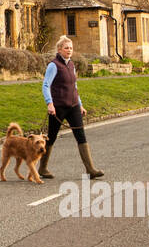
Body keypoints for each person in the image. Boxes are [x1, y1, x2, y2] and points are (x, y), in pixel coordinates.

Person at [38, 35, 104, 179]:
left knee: (81, 136)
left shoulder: (71, 65)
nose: (69, 50)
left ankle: (90, 170)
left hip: (73, 106)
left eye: (71, 48)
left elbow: (74, 86)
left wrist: (80, 105)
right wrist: (50, 103)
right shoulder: (53, 65)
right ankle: (42, 168)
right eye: (66, 48)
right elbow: (45, 85)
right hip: (58, 107)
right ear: (59, 49)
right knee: (51, 137)